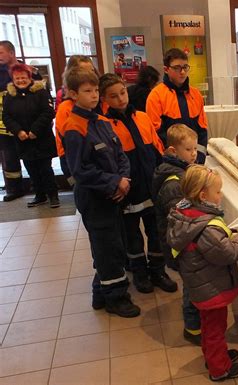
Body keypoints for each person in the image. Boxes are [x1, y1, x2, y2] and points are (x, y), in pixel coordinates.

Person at [62, 68, 140, 318]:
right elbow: (81, 170)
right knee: (107, 250)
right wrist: (114, 182)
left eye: (96, 90)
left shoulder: (101, 122)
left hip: (114, 194)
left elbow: (120, 155)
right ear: (73, 94)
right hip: (95, 200)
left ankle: (101, 293)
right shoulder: (74, 127)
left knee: (113, 246)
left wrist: (124, 179)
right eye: (87, 91)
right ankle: (116, 298)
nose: (94, 95)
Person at [167, 164, 238, 381]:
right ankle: (219, 369)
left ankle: (216, 356)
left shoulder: (185, 214)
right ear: (203, 195)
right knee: (215, 328)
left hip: (200, 286)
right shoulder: (206, 226)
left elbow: (214, 244)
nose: (220, 195)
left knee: (208, 326)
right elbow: (228, 253)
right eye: (218, 191)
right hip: (211, 288)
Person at [100, 73, 177, 294]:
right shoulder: (105, 125)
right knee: (132, 236)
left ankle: (158, 271)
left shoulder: (142, 117)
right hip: (128, 192)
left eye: (122, 93)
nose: (121, 99)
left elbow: (157, 150)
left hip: (150, 187)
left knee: (155, 232)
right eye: (113, 96)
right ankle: (140, 273)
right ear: (104, 100)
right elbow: (110, 162)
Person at [151, 123, 201, 345]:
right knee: (191, 286)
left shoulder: (178, 172)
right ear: (173, 151)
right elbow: (181, 219)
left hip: (178, 243)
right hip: (179, 245)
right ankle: (193, 328)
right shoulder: (175, 183)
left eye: (195, 149)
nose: (194, 154)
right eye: (188, 150)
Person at [2, 63, 59, 208]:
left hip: (41, 138)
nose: (20, 80)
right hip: (22, 140)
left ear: (29, 77)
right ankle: (39, 195)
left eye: (23, 77)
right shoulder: (10, 95)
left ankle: (53, 195)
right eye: (17, 78)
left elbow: (48, 112)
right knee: (31, 169)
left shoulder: (40, 92)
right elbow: (6, 117)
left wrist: (34, 130)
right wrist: (18, 131)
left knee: (45, 169)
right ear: (13, 79)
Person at [146, 48, 208, 164]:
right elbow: (156, 134)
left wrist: (198, 159)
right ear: (166, 69)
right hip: (170, 162)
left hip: (195, 161)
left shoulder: (196, 94)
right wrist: (173, 159)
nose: (182, 72)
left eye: (185, 67)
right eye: (177, 68)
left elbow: (202, 131)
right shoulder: (156, 96)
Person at [0, 40, 42, 202]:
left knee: (34, 157)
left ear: (11, 53)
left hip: (28, 124)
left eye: (1, 52)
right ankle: (14, 188)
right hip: (5, 125)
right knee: (9, 159)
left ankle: (41, 188)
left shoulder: (28, 71)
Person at [55, 56, 102, 186]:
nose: (87, 75)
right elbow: (68, 142)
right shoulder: (66, 107)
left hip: (100, 155)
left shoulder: (98, 100)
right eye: (82, 70)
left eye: (91, 70)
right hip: (73, 158)